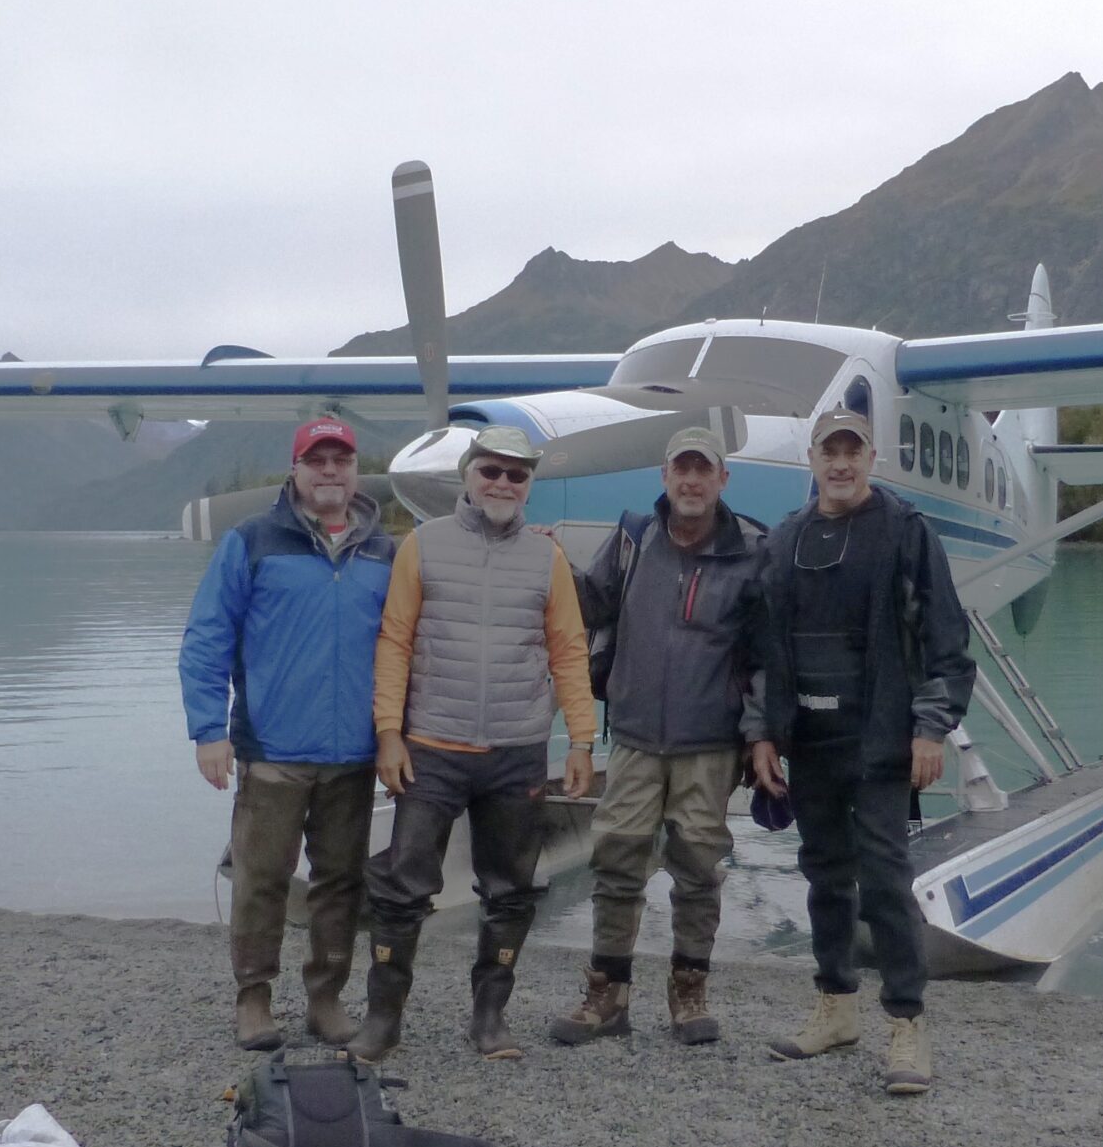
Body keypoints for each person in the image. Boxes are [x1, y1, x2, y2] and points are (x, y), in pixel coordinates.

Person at [353, 425, 595, 1063]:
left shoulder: (549, 558)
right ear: (467, 474)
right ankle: (383, 1018)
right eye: (491, 470)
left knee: (511, 889)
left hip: (517, 751)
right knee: (403, 887)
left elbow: (568, 650)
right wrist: (388, 734)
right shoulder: (423, 546)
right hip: (431, 746)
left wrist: (580, 740)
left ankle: (489, 1017)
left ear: (529, 486)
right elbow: (395, 641)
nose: (503, 484)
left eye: (518, 475)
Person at [752, 408, 975, 1093]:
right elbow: (763, 650)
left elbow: (946, 641)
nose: (841, 464)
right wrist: (763, 731)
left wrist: (932, 727)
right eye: (829, 452)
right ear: (811, 460)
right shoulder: (785, 541)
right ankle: (836, 1007)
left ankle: (907, 1025)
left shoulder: (907, 533)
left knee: (884, 882)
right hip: (810, 746)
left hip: (880, 742)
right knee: (823, 876)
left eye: (853, 452)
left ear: (872, 458)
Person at [179, 417, 396, 1051]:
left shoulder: (384, 551)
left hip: (353, 754)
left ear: (356, 470)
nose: (330, 471)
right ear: (295, 470)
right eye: (317, 460)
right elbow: (207, 636)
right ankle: (254, 998)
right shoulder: (252, 541)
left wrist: (395, 734)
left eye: (342, 460)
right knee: (260, 879)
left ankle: (325, 999)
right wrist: (206, 729)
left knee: (340, 883)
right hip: (272, 751)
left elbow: (404, 646)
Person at [548, 424, 767, 1047]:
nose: (692, 480)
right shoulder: (633, 539)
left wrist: (761, 736)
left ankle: (689, 991)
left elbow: (764, 656)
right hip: (638, 736)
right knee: (615, 856)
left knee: (699, 867)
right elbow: (589, 603)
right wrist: (549, 565)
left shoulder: (753, 548)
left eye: (704, 470)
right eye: (681, 469)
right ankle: (607, 994)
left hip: (710, 742)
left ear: (723, 479)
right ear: (664, 478)